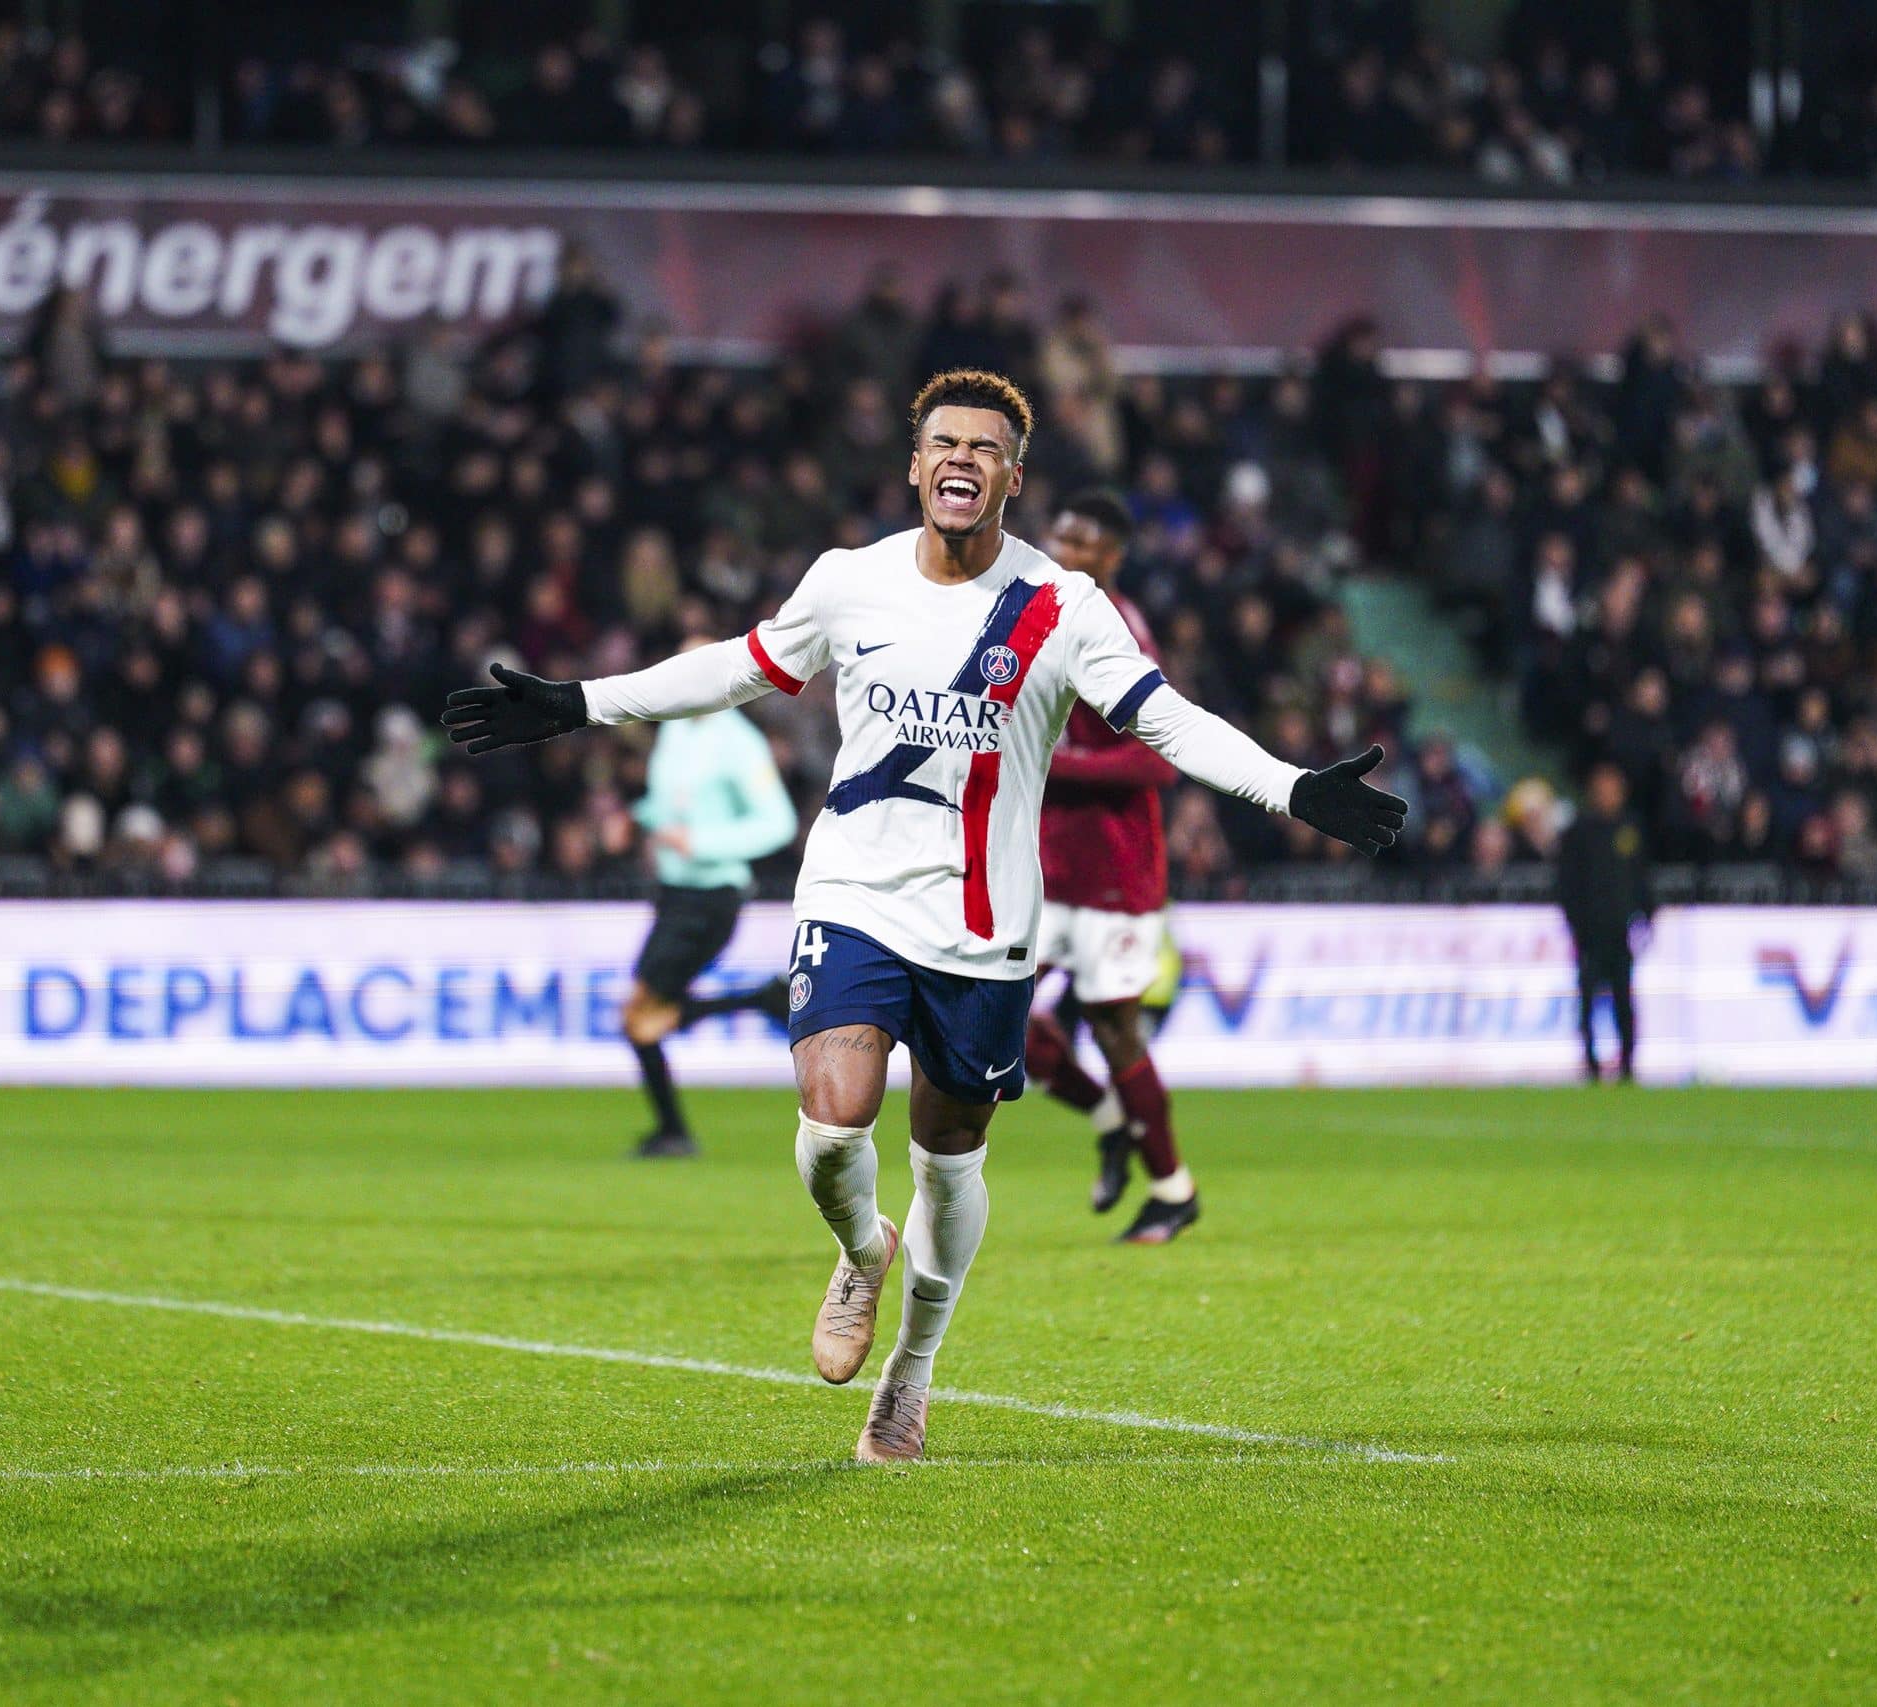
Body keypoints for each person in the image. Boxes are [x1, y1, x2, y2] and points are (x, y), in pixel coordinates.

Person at [442, 369, 1406, 1462]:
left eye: (984, 448)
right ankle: (861, 1248)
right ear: (914, 465)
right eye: (942, 442)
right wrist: (581, 701)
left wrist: (1289, 787)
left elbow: (1166, 723)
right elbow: (739, 668)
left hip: (983, 928)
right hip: (852, 893)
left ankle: (912, 1371)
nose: (961, 459)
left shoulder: (1061, 607)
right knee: (831, 1118)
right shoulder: (848, 582)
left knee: (950, 1160)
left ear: (1011, 477)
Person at [1021, 488, 1200, 1242]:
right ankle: (1107, 1118)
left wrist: (1054, 765)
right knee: (984, 1014)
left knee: (1115, 1029)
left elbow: (1159, 759)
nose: (1062, 551)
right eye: (1057, 535)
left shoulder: (1122, 632)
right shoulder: (1036, 619)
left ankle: (1172, 1188)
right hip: (1041, 867)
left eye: (1081, 542)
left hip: (1117, 872)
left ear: (1113, 557)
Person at [623, 626, 801, 1159]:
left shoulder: (738, 743)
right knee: (645, 1019)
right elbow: (669, 805)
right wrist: (637, 820)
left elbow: (779, 824)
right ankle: (761, 998)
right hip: (675, 892)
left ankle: (673, 1130)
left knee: (640, 1018)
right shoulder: (678, 729)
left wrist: (700, 843)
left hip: (712, 897)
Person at [1556, 762, 1653, 1082]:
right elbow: (1567, 883)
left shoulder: (1631, 828)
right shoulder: (1578, 831)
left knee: (1624, 1000)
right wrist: (1576, 923)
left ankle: (1627, 1063)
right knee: (1587, 999)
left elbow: (1641, 878)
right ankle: (1591, 1062)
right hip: (1590, 932)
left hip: (1621, 931)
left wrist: (1646, 915)